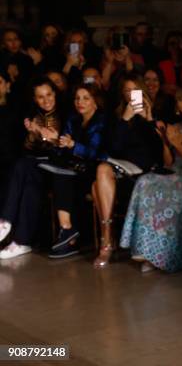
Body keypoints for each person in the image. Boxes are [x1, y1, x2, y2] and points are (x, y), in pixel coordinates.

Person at [119, 87, 182, 272]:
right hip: (174, 173)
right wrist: (165, 142)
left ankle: (164, 255)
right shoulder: (174, 127)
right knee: (145, 182)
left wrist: (177, 143)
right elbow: (169, 163)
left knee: (170, 194)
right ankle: (145, 249)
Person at [91, 73, 163, 268]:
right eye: (127, 91)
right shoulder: (117, 116)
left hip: (145, 170)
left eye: (134, 90)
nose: (131, 95)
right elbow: (113, 148)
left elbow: (160, 153)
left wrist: (149, 120)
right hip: (120, 167)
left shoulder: (154, 112)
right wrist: (125, 119)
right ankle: (107, 237)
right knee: (102, 170)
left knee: (96, 185)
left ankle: (108, 241)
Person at [0, 77, 62, 259]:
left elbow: (63, 148)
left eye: (49, 94)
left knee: (23, 165)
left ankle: (5, 222)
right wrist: (34, 133)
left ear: (55, 94)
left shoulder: (65, 114)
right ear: (35, 99)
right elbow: (29, 148)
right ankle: (21, 241)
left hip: (60, 170)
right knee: (28, 182)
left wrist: (52, 139)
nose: (46, 100)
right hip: (38, 167)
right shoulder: (36, 117)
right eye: (40, 97)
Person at [46, 83, 107, 259]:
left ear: (95, 101)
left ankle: (68, 232)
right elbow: (61, 149)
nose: (80, 102)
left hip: (96, 171)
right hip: (73, 169)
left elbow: (97, 153)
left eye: (86, 98)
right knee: (59, 174)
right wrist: (55, 140)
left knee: (63, 178)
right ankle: (67, 231)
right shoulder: (73, 119)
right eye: (77, 98)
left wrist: (74, 145)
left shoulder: (102, 121)